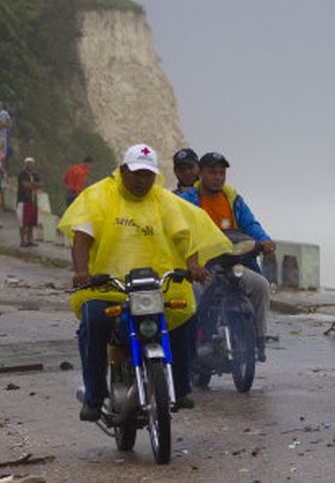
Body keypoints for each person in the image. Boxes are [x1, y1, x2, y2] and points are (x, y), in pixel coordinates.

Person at [58, 144, 232, 422]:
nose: (143, 181)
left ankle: (182, 386)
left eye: (148, 175)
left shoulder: (165, 200)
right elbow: (82, 238)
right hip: (109, 285)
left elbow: (185, 235)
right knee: (93, 321)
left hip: (156, 284)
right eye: (137, 174)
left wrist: (193, 265)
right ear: (124, 170)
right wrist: (82, 271)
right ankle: (94, 395)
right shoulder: (98, 196)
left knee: (185, 313)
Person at [179, 152, 276, 362]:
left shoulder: (232, 199)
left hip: (233, 262)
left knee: (260, 285)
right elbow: (179, 230)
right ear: (200, 173)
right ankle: (193, 342)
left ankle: (259, 338)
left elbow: (250, 224)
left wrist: (264, 240)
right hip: (202, 265)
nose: (218, 177)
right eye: (212, 172)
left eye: (222, 173)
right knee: (194, 292)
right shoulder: (186, 201)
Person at [16, 157, 42, 247]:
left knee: (31, 222)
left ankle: (30, 239)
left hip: (33, 200)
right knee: (23, 222)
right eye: (28, 163)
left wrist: (32, 185)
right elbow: (26, 186)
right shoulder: (22, 174)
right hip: (23, 200)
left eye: (31, 163)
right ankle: (22, 240)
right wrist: (34, 185)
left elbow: (40, 185)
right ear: (25, 164)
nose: (30, 165)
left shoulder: (35, 174)